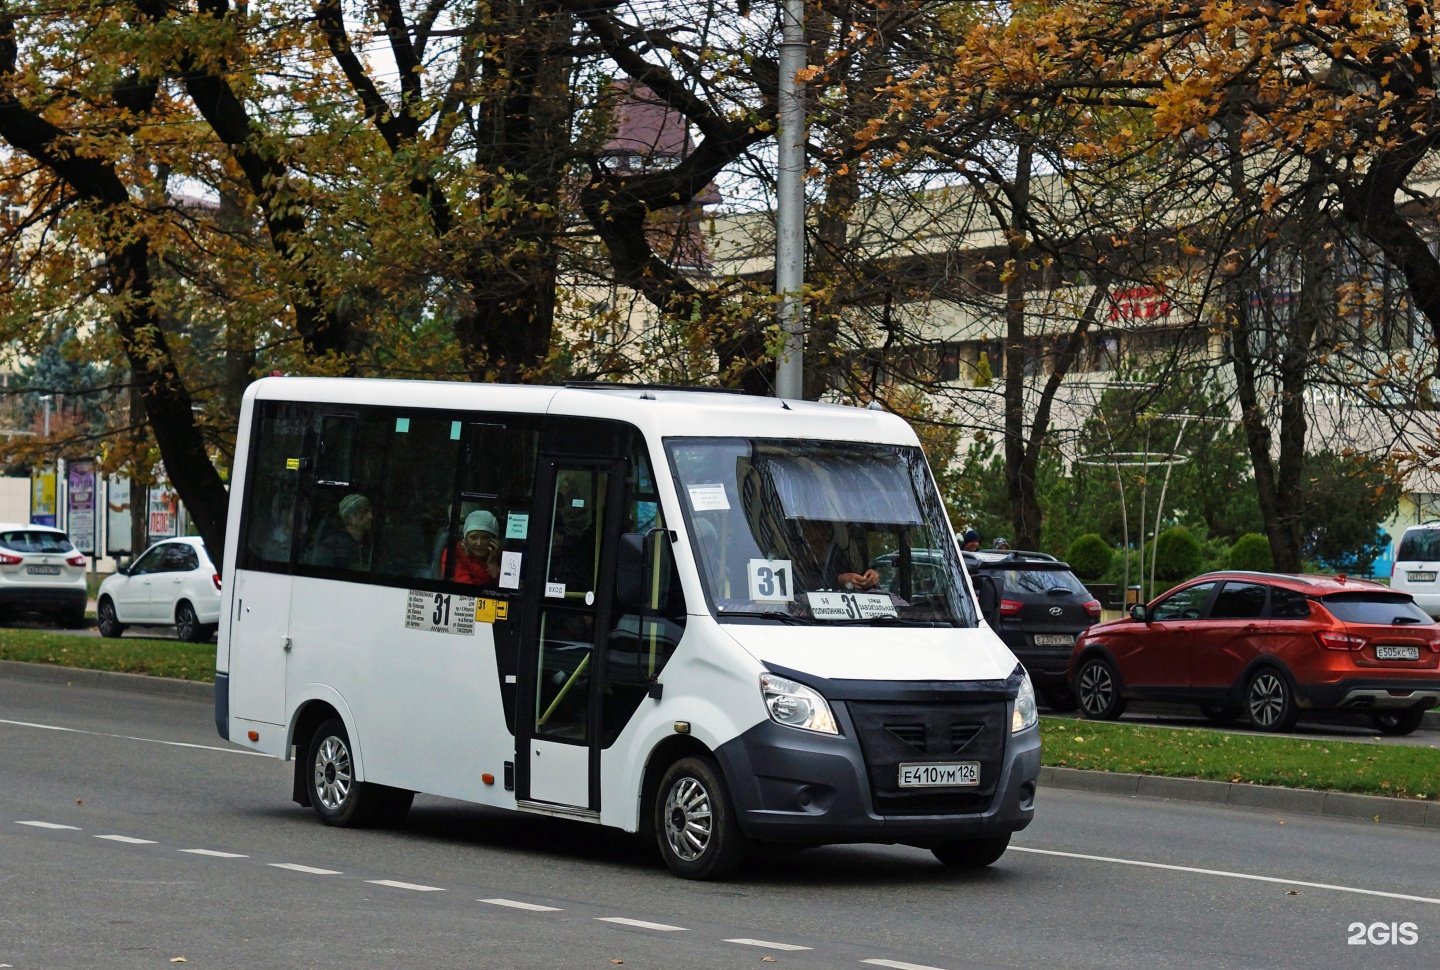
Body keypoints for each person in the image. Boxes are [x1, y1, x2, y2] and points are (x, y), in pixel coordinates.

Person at [307, 493, 373, 569]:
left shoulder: (368, 544)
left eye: (370, 511)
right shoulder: (331, 547)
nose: (371, 516)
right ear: (351, 517)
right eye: (365, 512)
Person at [443, 509, 502, 585]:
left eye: (485, 537)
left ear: (493, 539)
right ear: (466, 539)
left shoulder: (500, 554)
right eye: (473, 537)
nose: (479, 543)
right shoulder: (454, 553)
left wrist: (496, 571)